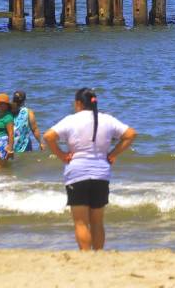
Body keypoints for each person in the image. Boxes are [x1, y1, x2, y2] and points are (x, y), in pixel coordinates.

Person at [43, 88, 137, 251]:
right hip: (101, 173)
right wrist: (113, 154)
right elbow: (130, 134)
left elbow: (48, 136)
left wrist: (61, 155)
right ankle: (98, 254)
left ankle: (86, 257)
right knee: (97, 222)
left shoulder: (71, 120)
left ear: (78, 103)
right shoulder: (107, 119)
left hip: (77, 173)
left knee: (81, 222)